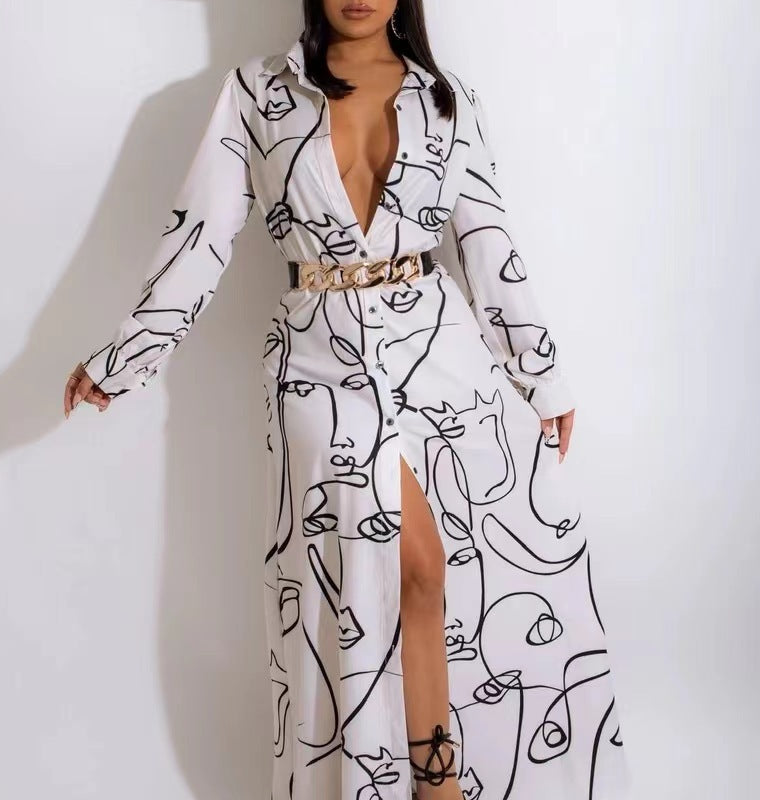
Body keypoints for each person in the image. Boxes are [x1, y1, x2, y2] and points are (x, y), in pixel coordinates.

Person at [63, 2, 632, 798]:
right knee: (389, 570)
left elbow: (487, 241)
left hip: (441, 358)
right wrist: (123, 359)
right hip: (317, 362)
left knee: (448, 572)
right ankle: (422, 783)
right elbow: (201, 237)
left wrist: (540, 374)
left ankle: (438, 786)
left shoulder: (447, 99)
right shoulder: (258, 92)